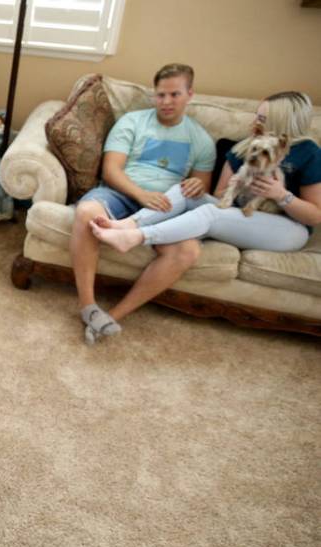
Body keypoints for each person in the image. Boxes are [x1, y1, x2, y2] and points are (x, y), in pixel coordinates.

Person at [69, 63, 216, 343]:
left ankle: (114, 315)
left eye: (175, 95)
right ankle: (88, 307)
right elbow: (111, 171)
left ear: (190, 94)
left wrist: (198, 185)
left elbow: (201, 190)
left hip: (166, 207)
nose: (166, 102)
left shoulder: (201, 140)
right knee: (87, 212)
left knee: (188, 251)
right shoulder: (133, 122)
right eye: (160, 95)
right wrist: (141, 195)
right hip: (122, 193)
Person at [91, 91, 321, 256]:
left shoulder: (309, 152)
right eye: (256, 116)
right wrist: (239, 188)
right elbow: (222, 195)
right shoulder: (245, 146)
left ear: (280, 121)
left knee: (210, 213)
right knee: (186, 191)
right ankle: (127, 224)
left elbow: (315, 216)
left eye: (261, 118)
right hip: (238, 214)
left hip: (287, 229)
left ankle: (137, 237)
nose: (254, 122)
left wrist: (281, 195)